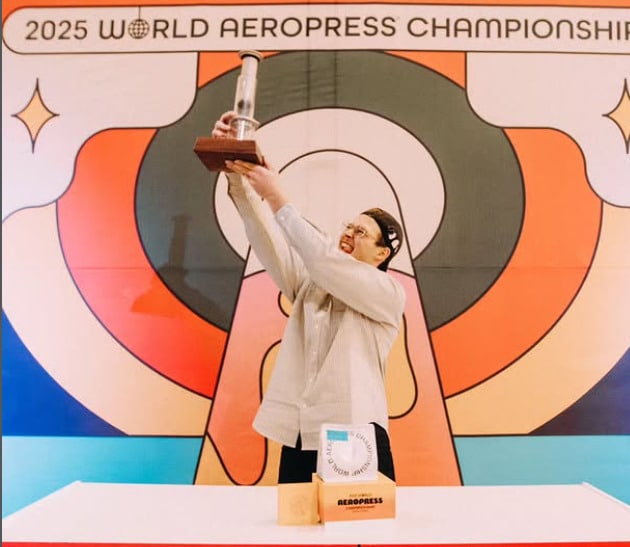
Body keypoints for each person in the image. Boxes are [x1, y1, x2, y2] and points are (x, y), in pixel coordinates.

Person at [212, 111, 406, 484]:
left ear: (382, 254)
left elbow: (322, 259)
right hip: (302, 433)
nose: (349, 233)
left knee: (362, 524)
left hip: (356, 432)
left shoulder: (388, 294)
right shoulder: (310, 283)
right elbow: (265, 236)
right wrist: (238, 170)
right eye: (349, 226)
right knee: (296, 523)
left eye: (362, 233)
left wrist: (276, 194)